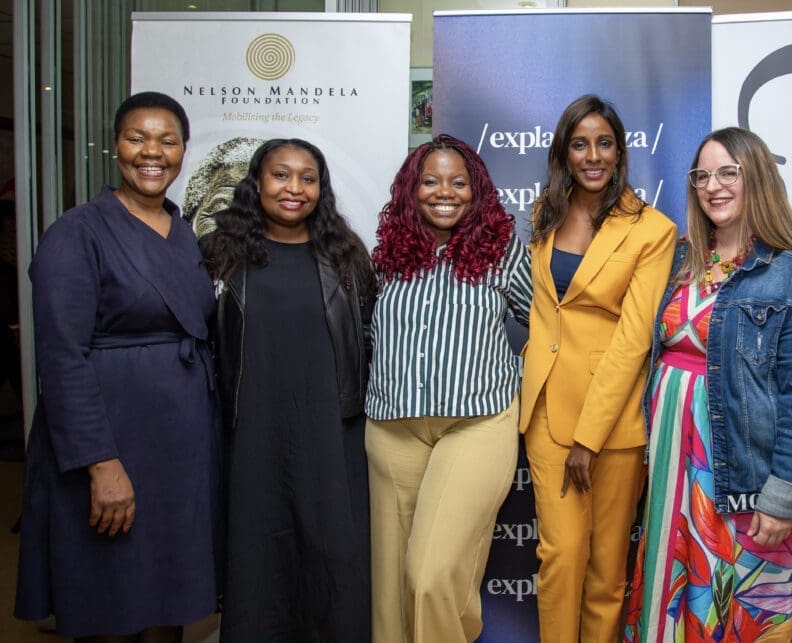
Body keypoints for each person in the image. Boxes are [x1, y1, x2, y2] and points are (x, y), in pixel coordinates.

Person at [15, 92, 220, 642]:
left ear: (183, 151)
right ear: (115, 146)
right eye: (137, 138)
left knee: (168, 602)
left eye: (167, 141)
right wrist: (100, 464)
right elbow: (61, 357)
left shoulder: (183, 232)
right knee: (111, 601)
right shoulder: (77, 232)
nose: (152, 152)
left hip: (178, 451)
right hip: (112, 441)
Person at [623, 127, 792, 642]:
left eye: (727, 173)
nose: (713, 186)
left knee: (742, 605)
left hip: (743, 474)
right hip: (670, 469)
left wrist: (782, 497)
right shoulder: (680, 259)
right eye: (702, 176)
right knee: (670, 592)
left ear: (756, 177)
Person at [201, 138, 375, 641]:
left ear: (321, 189)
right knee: (257, 561)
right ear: (257, 182)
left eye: (307, 178)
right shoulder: (219, 255)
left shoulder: (347, 257)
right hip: (251, 435)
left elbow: (369, 338)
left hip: (331, 435)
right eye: (281, 175)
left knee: (332, 562)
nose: (294, 188)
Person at [520, 94, 677, 642]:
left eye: (604, 144)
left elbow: (633, 341)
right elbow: (546, 313)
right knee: (560, 557)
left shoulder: (653, 230)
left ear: (620, 152)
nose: (592, 156)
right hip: (546, 410)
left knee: (607, 572)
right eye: (580, 144)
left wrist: (588, 438)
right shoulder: (545, 214)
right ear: (564, 153)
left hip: (613, 422)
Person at [365, 134, 532, 643]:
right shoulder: (387, 257)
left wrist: (514, 374)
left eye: (458, 182)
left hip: (476, 423)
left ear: (476, 190)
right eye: (430, 181)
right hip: (392, 427)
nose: (444, 192)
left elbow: (549, 329)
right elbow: (365, 332)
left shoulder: (502, 252)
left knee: (430, 575)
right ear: (410, 190)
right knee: (392, 590)